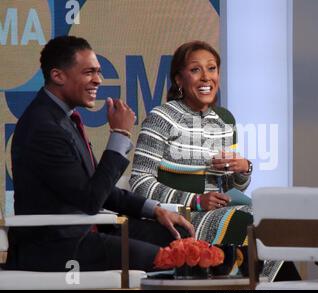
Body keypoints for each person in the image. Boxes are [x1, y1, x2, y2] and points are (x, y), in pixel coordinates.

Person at [5, 35, 194, 273]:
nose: (98, 80)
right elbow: (91, 199)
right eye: (88, 73)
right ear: (58, 75)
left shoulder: (64, 119)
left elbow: (100, 189)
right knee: (177, 257)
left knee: (179, 235)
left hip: (86, 231)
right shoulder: (44, 126)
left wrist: (155, 209)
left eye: (98, 72)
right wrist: (120, 133)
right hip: (57, 246)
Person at [130, 41, 253, 247]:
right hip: (179, 218)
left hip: (221, 212)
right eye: (196, 70)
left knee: (270, 222)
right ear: (179, 79)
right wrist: (195, 201)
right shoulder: (161, 118)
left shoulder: (225, 120)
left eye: (212, 68)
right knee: (248, 223)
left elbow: (232, 188)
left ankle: (266, 279)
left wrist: (243, 169)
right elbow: (139, 184)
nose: (206, 77)